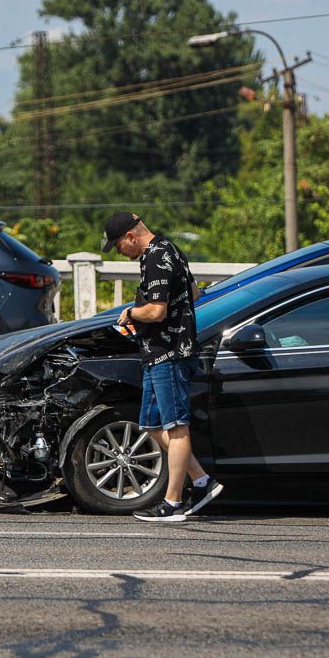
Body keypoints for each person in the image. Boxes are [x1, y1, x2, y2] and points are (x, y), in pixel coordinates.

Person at [101, 212, 223, 523]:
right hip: (160, 353)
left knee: (176, 427)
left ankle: (172, 503)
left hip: (168, 353)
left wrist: (130, 312)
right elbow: (193, 293)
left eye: (118, 246)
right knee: (151, 425)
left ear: (130, 236)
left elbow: (155, 311)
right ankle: (201, 480)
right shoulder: (170, 249)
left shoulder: (155, 257)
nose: (120, 253)